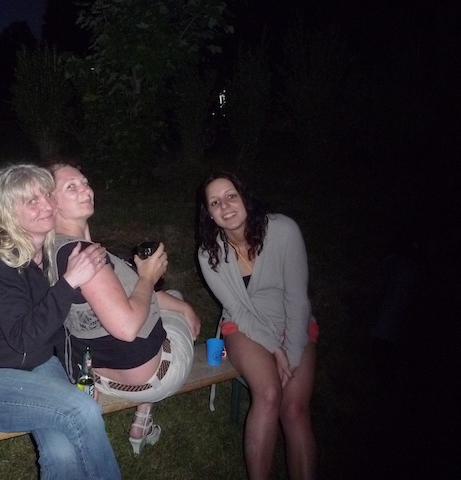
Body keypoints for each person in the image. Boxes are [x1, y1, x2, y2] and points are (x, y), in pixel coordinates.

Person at [0, 164, 121, 480]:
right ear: (7, 211)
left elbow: (60, 329)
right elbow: (25, 337)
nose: (46, 206)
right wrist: (69, 283)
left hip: (38, 366)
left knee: (61, 451)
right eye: (31, 201)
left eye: (47, 195)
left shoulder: (49, 253)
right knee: (82, 409)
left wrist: (79, 374)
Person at [46, 161, 201, 455]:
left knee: (169, 301)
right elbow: (127, 328)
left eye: (85, 182)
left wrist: (155, 290)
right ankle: (144, 410)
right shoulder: (86, 257)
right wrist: (147, 277)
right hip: (152, 380)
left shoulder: (52, 251)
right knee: (173, 296)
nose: (86, 190)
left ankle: (143, 418)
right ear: (51, 203)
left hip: (98, 378)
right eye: (71, 187)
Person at [196, 171, 318, 480]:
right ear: (209, 214)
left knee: (294, 409)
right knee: (268, 393)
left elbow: (297, 298)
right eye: (215, 202)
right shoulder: (209, 253)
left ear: (244, 198)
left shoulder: (284, 230)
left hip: (291, 320)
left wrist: (291, 353)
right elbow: (237, 309)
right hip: (243, 326)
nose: (225, 206)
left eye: (231, 196)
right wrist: (274, 348)